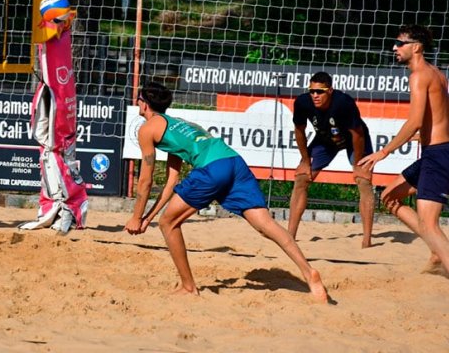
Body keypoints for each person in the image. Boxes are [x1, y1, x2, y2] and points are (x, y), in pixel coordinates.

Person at [123, 82, 328, 303]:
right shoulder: (178, 125)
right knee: (265, 225)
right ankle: (309, 273)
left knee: (169, 224)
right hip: (233, 162)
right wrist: (146, 219)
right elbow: (171, 182)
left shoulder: (147, 129)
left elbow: (145, 181)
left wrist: (135, 217)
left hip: (212, 168)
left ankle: (189, 287)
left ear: (143, 104)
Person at [359, 24, 449, 276]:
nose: (394, 48)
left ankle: (440, 252)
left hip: (439, 154)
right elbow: (439, 115)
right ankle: (436, 253)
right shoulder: (437, 74)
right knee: (390, 197)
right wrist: (427, 135)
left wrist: (383, 152)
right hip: (437, 150)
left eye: (400, 44)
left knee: (429, 224)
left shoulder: (419, 75)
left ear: (417, 47)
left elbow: (414, 120)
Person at [289, 71, 375, 248]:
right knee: (301, 178)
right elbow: (299, 131)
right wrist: (305, 161)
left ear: (330, 90)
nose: (315, 95)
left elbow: (357, 135)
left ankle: (366, 240)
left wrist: (358, 164)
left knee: (363, 180)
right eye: (312, 91)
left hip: (353, 139)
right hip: (326, 139)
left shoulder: (344, 103)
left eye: (319, 91)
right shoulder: (303, 102)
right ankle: (290, 236)